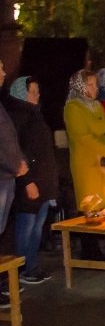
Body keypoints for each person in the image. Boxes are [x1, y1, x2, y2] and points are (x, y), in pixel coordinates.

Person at [64, 69, 105, 260]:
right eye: (90, 84)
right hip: (87, 163)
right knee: (90, 205)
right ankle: (90, 249)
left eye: (95, 84)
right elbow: (84, 138)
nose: (95, 88)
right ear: (80, 86)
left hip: (103, 163)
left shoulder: (97, 106)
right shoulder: (73, 108)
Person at [8, 76, 59, 284]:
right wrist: (27, 180)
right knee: (26, 227)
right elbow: (18, 153)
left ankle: (31, 266)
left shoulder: (35, 114)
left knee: (37, 227)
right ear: (22, 93)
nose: (37, 95)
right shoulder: (18, 117)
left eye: (38, 91)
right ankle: (18, 270)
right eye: (32, 91)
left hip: (43, 181)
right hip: (30, 183)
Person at [0, 59, 29, 308]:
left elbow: (9, 138)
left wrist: (20, 160)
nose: (3, 72)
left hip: (7, 177)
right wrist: (14, 163)